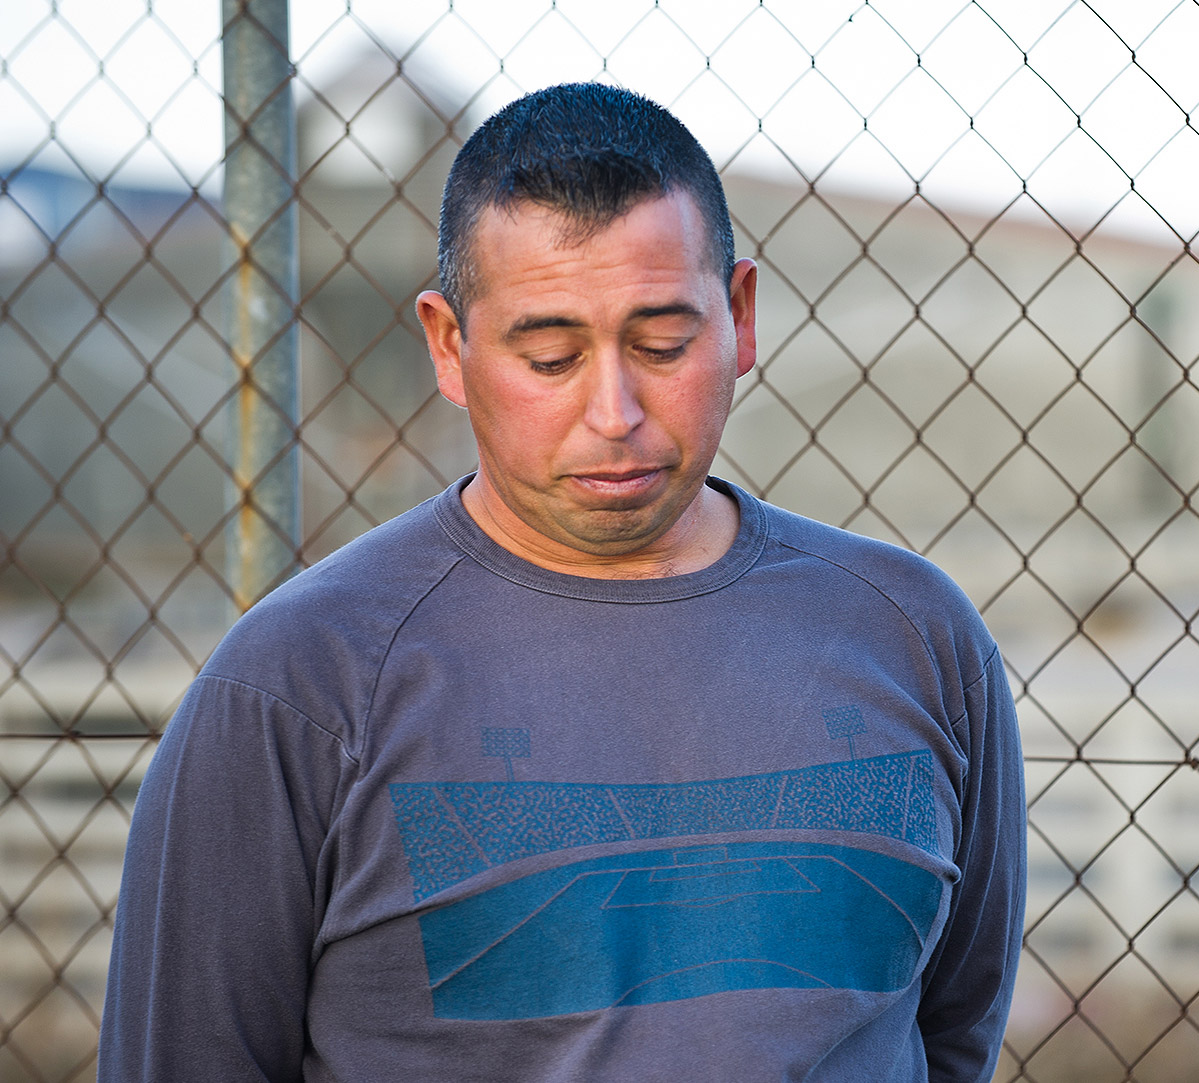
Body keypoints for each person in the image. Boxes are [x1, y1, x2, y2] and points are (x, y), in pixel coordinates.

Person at [100, 82, 1025, 1082]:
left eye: (662, 343)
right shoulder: (300, 681)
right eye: (548, 357)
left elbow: (951, 1035)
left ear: (740, 317)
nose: (613, 411)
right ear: (450, 348)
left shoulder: (914, 636)